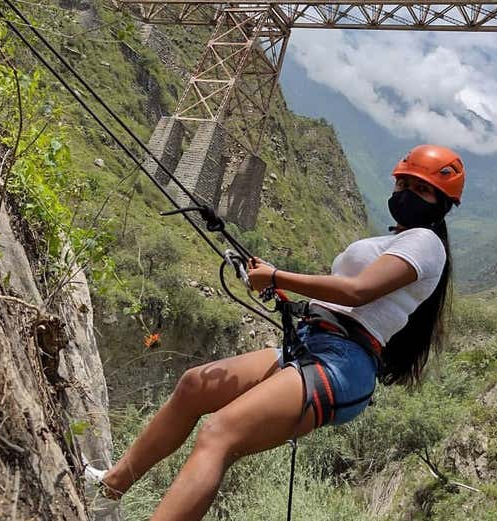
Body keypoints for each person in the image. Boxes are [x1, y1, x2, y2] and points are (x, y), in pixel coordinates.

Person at [84, 144, 465, 520]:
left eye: (422, 189)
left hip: (341, 364)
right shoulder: (395, 239)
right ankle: (110, 488)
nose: (408, 194)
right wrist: (279, 284)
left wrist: (277, 276)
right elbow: (346, 297)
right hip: (314, 343)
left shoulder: (425, 242)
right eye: (404, 184)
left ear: (441, 203)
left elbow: (358, 291)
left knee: (220, 434)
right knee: (193, 386)